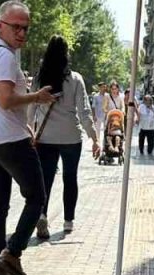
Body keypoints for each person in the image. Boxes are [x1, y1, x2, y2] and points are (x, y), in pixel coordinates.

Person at [0, 0, 57, 275]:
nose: (22, 33)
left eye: (26, 28)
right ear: (1, 25)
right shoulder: (5, 57)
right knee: (37, 196)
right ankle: (11, 253)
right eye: (16, 27)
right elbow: (5, 99)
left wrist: (25, 123)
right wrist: (37, 97)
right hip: (10, 142)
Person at [31, 35, 99, 237]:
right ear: (66, 54)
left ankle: (42, 215)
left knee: (46, 179)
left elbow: (31, 109)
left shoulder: (38, 78)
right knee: (70, 178)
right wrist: (95, 138)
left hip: (46, 138)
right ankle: (68, 221)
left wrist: (29, 131)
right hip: (71, 137)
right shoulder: (76, 79)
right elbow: (84, 112)